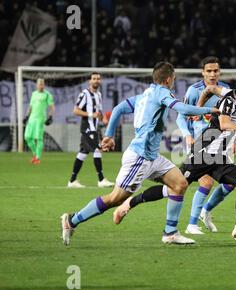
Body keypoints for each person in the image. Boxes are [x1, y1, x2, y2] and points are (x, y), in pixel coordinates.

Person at [60, 62, 219, 246]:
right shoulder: (162, 93)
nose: (173, 82)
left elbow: (119, 108)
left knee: (180, 183)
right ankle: (71, 221)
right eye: (173, 79)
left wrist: (110, 135)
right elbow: (182, 109)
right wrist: (210, 110)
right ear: (168, 79)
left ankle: (170, 232)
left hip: (152, 156)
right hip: (140, 157)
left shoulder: (144, 95)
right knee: (114, 199)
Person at [112, 75, 236, 239]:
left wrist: (199, 108)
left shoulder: (228, 92)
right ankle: (128, 204)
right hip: (203, 153)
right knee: (172, 188)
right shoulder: (229, 102)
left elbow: (210, 89)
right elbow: (224, 124)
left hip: (220, 157)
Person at [176, 56, 234, 235]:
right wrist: (187, 135)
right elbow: (181, 116)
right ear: (203, 72)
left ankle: (206, 210)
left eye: (215, 70)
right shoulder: (194, 91)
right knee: (206, 182)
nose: (212, 74)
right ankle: (191, 224)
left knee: (231, 183)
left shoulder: (226, 91)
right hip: (199, 141)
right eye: (209, 71)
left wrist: (234, 139)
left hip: (220, 142)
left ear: (220, 72)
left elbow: (231, 118)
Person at [67, 73, 115, 188]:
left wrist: (104, 120)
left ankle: (72, 181)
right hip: (87, 128)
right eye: (94, 79)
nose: (96, 81)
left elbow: (99, 113)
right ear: (89, 81)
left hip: (94, 128)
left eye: (98, 79)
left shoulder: (98, 95)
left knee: (83, 153)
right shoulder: (84, 94)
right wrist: (91, 114)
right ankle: (101, 179)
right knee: (98, 150)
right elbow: (76, 110)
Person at [23, 78, 55, 164]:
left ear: (44, 85)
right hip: (31, 119)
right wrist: (26, 116)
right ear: (37, 85)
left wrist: (50, 116)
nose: (41, 86)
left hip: (40, 119)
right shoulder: (34, 94)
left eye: (42, 84)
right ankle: (34, 154)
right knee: (27, 137)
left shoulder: (47, 95)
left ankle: (37, 158)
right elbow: (30, 106)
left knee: (39, 139)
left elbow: (52, 107)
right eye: (39, 84)